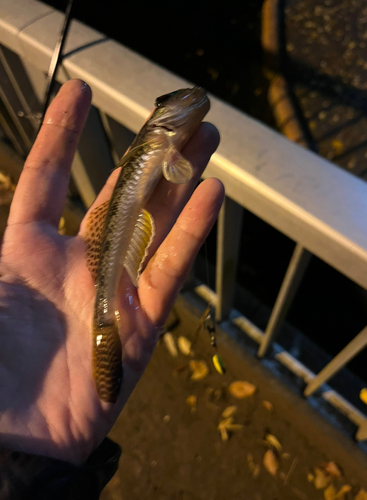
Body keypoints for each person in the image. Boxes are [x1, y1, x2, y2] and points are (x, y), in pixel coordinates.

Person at [0, 79, 224, 498]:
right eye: (166, 104)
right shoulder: (158, 140)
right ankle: (105, 325)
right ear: (157, 124)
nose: (182, 103)